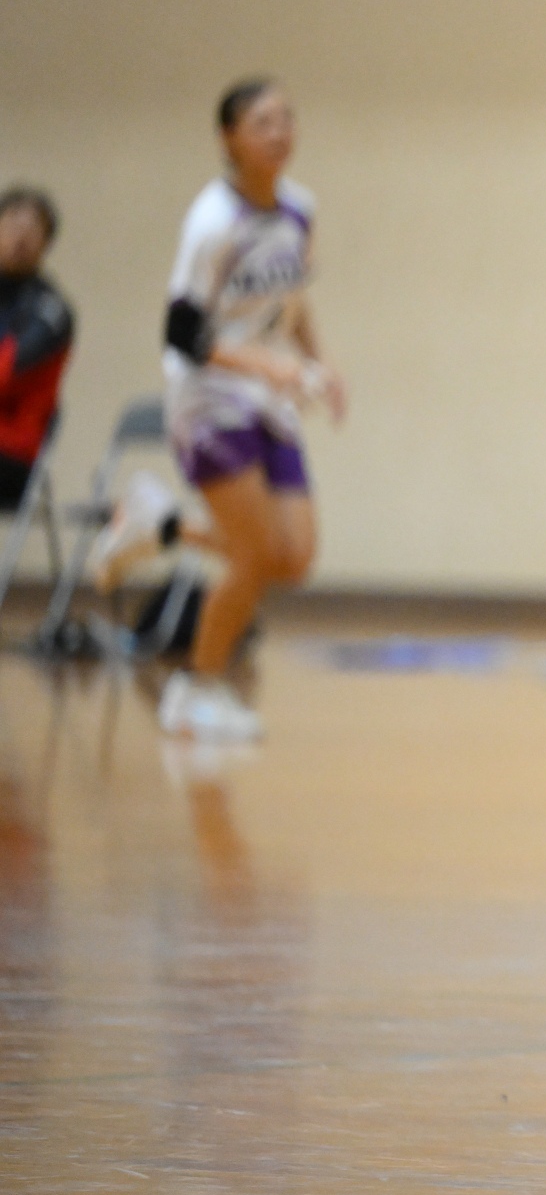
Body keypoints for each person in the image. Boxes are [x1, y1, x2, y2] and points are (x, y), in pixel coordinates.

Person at [143, 80, 344, 740]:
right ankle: (195, 690)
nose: (280, 132)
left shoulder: (300, 209)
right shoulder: (212, 222)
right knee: (253, 557)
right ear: (229, 138)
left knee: (295, 558)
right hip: (207, 396)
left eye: (287, 119)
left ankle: (161, 526)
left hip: (265, 395)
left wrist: (318, 363)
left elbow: (294, 299)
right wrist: (265, 364)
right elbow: (181, 332)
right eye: (263, 122)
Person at [0, 187, 73, 513]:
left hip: (13, 453)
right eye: (13, 223)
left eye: (33, 229)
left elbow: (6, 374)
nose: (21, 237)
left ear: (46, 244)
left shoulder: (50, 311)